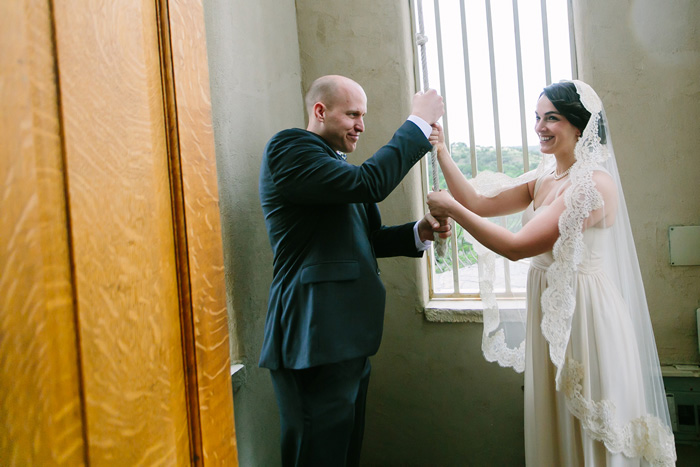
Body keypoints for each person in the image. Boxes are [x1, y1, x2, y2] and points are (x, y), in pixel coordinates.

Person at [427, 80, 676, 466]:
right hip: (552, 313)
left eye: (552, 118)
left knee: (586, 425)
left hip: (585, 317)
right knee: (556, 418)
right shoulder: (546, 177)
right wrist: (441, 150)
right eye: (537, 118)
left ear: (580, 126)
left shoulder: (592, 186)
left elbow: (517, 246)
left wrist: (452, 212)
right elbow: (477, 201)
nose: (540, 127)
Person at [259, 74, 448, 466]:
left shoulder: (335, 168)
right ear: (320, 111)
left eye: (363, 115)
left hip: (345, 342)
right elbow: (371, 183)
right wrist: (417, 122)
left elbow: (369, 238)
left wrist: (419, 231)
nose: (362, 124)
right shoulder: (290, 149)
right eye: (353, 114)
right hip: (312, 339)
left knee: (342, 456)